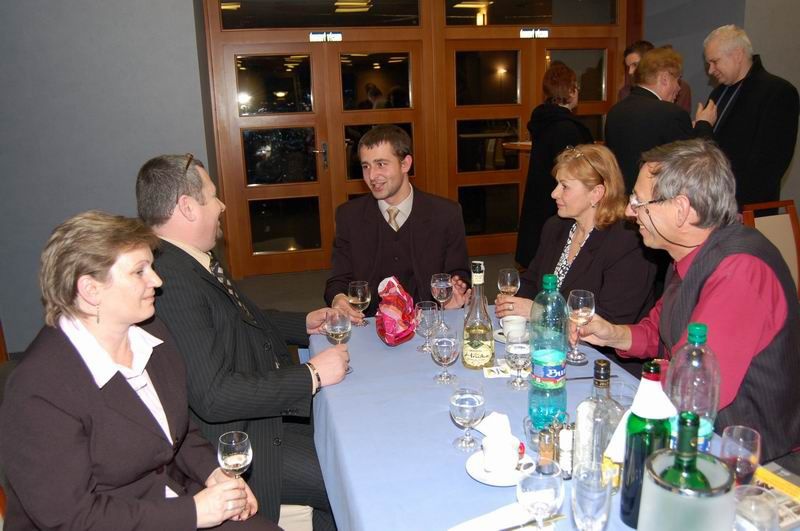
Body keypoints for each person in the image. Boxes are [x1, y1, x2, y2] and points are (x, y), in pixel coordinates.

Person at [0, 211, 276, 530]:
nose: (157, 281)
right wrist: (194, 512)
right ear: (91, 290)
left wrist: (214, 473)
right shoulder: (39, 390)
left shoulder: (151, 332)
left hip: (166, 500)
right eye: (139, 272)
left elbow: (177, 433)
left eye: (152, 268)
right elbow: (71, 518)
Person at [136, 154, 348, 530]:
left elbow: (239, 317)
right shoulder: (172, 281)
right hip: (241, 440)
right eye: (212, 196)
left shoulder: (189, 260)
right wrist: (311, 375)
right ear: (187, 207)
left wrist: (304, 323)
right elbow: (214, 395)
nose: (221, 205)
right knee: (344, 475)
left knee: (348, 427)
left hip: (262, 412)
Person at [578, 139, 800, 462]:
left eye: (639, 201)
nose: (629, 211)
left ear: (681, 210)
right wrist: (612, 334)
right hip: (699, 438)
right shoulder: (688, 254)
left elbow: (695, 387)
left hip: (752, 461)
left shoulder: (740, 271)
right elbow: (659, 332)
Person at [497, 144, 655, 325]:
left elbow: (612, 319)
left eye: (565, 186)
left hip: (595, 343)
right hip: (547, 336)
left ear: (596, 193)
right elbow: (532, 282)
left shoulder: (627, 242)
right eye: (557, 184)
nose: (554, 193)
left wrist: (540, 312)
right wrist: (512, 302)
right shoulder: (556, 227)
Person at [325, 125, 470, 319]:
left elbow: (459, 273)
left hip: (429, 322)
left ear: (405, 164)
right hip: (369, 324)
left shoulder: (446, 214)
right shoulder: (349, 216)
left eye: (381, 164)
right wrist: (339, 299)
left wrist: (456, 290)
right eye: (366, 166)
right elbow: (338, 281)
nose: (372, 176)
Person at [703, 24, 799, 206]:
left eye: (714, 61)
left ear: (737, 55)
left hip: (748, 206)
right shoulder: (718, 93)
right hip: (715, 202)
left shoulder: (778, 92)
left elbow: (771, 163)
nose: (710, 70)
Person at [606, 46, 717, 191]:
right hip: (657, 199)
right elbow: (696, 166)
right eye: (678, 80)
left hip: (621, 197)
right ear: (665, 79)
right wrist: (704, 124)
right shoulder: (672, 114)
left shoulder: (615, 111)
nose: (679, 88)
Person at [515, 62, 593, 267]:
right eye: (576, 87)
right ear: (571, 91)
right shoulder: (567, 128)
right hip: (561, 199)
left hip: (542, 195)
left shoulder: (544, 120)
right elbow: (577, 172)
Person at [618, 40, 692, 112]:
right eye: (628, 67)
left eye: (635, 65)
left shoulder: (680, 89)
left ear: (649, 62)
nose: (630, 72)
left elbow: (680, 117)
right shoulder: (625, 92)